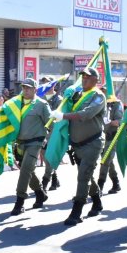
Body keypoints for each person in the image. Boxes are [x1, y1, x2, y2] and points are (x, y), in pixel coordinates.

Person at [49, 67, 106, 226]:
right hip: (77, 144)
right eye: (82, 77)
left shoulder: (98, 96)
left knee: (83, 176)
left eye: (88, 77)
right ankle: (96, 200)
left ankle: (77, 211)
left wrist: (64, 116)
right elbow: (66, 106)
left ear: (96, 80)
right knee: (86, 174)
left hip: (92, 143)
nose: (84, 79)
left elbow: (87, 114)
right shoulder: (76, 94)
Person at [8, 79, 51, 215]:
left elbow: (51, 124)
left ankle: (19, 202)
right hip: (20, 143)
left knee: (25, 170)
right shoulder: (16, 104)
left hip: (35, 143)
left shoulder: (41, 105)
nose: (25, 90)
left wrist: (50, 143)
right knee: (29, 170)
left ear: (35, 90)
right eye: (24, 88)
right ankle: (40, 193)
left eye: (28, 88)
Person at [97, 87, 123, 194]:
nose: (102, 94)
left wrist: (109, 122)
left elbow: (119, 122)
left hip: (113, 136)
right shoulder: (100, 104)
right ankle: (116, 183)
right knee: (108, 161)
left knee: (105, 161)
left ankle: (99, 186)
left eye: (104, 91)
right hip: (102, 137)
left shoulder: (116, 104)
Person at [40, 77, 63, 191]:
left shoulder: (59, 99)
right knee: (45, 157)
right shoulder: (41, 99)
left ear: (53, 85)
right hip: (43, 132)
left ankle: (44, 183)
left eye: (48, 83)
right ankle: (55, 179)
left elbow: (61, 117)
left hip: (54, 134)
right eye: (44, 83)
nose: (46, 85)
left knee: (49, 158)